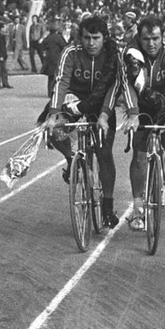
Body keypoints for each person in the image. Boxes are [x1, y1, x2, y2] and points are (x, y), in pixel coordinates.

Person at [40, 15, 138, 228]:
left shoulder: (115, 55)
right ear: (80, 37)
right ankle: (71, 159)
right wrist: (53, 114)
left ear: (105, 38)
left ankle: (107, 207)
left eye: (96, 38)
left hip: (103, 104)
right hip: (74, 99)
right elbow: (61, 82)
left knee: (104, 153)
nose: (91, 43)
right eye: (86, 38)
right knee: (54, 130)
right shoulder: (70, 52)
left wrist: (104, 114)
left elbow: (115, 87)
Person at [123, 16, 165, 230]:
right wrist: (133, 114)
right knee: (139, 153)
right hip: (142, 102)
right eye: (146, 39)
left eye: (155, 38)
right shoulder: (131, 54)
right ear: (139, 38)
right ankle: (138, 209)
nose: (151, 44)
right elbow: (128, 86)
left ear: (163, 37)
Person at [40, 17, 67, 97]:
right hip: (57, 58)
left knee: (50, 77)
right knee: (56, 76)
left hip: (49, 58)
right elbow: (64, 46)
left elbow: (42, 46)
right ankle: (54, 91)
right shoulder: (58, 37)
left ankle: (49, 91)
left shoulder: (48, 37)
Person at [0, 20, 11, 88]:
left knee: (4, 70)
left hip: (3, 55)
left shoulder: (2, 36)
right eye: (4, 27)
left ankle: (5, 83)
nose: (5, 29)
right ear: (1, 28)